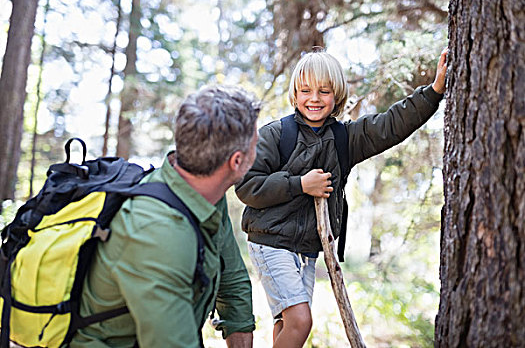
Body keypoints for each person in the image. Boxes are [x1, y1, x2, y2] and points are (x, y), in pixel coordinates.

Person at [235, 47, 448, 347]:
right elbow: (247, 186)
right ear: (295, 94)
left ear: (337, 95)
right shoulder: (276, 135)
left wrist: (435, 90)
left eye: (324, 91)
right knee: (300, 320)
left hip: (307, 250)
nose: (314, 98)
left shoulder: (345, 139)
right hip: (270, 241)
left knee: (286, 322)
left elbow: (390, 125)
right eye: (306, 90)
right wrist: (299, 184)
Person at [71, 85, 261, 348]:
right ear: (236, 161)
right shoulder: (156, 233)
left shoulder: (205, 196)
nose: (258, 147)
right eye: (255, 143)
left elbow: (232, 280)